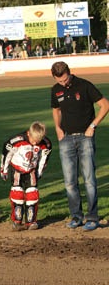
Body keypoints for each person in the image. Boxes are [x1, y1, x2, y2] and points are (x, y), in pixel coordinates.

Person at [50, 61, 109, 231]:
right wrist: (58, 128)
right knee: (70, 181)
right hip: (66, 139)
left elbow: (105, 105)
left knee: (89, 180)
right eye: (59, 81)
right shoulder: (55, 90)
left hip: (85, 138)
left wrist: (93, 126)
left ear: (69, 73)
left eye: (65, 79)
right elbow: (56, 110)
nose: (63, 83)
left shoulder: (84, 85)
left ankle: (92, 217)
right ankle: (76, 216)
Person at [0, 122, 52, 231]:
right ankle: (17, 221)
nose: (35, 143)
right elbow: (7, 154)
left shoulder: (46, 144)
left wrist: (39, 172)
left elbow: (44, 159)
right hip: (17, 170)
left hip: (31, 170)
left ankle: (31, 221)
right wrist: (4, 170)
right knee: (17, 194)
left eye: (38, 141)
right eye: (33, 140)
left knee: (33, 194)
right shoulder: (16, 141)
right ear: (29, 133)